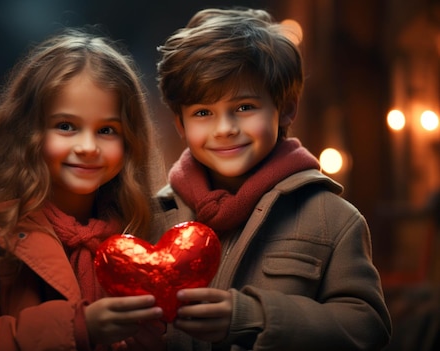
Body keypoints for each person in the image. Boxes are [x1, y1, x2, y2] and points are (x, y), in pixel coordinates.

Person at [152, 7, 392, 350]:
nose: (225, 129)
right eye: (203, 112)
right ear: (180, 124)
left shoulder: (332, 219)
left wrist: (253, 317)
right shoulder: (150, 216)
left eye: (245, 107)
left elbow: (367, 327)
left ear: (286, 109)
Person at [0, 28, 166, 351]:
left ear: (130, 142)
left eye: (107, 130)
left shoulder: (143, 231)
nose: (87, 147)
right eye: (66, 126)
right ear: (29, 133)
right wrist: (77, 327)